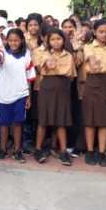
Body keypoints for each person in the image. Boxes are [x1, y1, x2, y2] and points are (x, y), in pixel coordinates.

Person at [0, 28, 36, 163]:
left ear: (21, 40)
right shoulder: (2, 52)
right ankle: (3, 149)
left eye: (16, 40)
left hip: (20, 93)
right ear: (6, 41)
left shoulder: (27, 54)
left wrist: (29, 96)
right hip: (4, 94)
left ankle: (17, 150)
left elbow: (29, 77)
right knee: (3, 123)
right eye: (10, 40)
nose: (13, 43)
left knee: (18, 123)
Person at [79, 19, 106, 167]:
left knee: (104, 122)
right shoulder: (88, 47)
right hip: (92, 84)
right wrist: (94, 63)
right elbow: (90, 60)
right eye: (101, 32)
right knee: (90, 121)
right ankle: (90, 151)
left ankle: (102, 152)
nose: (104, 34)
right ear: (95, 32)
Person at [33, 28, 76, 165]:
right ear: (48, 41)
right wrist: (47, 63)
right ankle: (38, 149)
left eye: (59, 39)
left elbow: (69, 73)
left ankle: (63, 151)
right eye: (52, 39)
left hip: (62, 88)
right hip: (46, 88)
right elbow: (41, 70)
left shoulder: (68, 56)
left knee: (61, 121)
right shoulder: (43, 54)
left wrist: (53, 67)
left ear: (63, 40)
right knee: (43, 121)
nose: (56, 42)